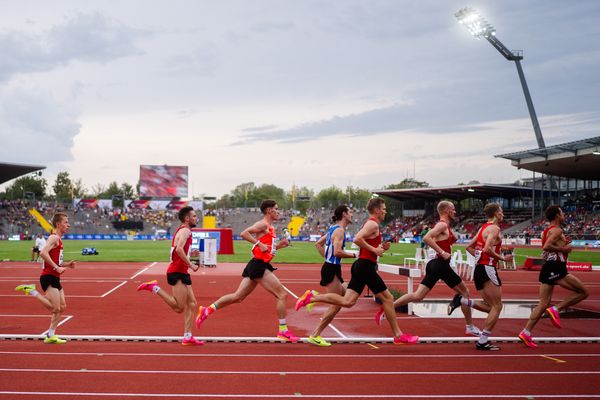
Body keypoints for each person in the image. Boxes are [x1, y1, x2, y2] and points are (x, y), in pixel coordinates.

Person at [296, 197, 418, 345]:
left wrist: (380, 248)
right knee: (388, 298)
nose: (386, 212)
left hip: (362, 266)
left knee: (347, 302)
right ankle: (398, 335)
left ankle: (312, 299)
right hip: (365, 267)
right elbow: (357, 239)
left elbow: (366, 243)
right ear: (377, 210)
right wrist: (374, 250)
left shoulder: (372, 224)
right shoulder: (372, 223)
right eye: (384, 209)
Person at [195, 199, 299, 342]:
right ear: (269, 211)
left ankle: (207, 310)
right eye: (276, 208)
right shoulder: (262, 224)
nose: (278, 211)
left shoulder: (270, 228)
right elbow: (244, 233)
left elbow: (267, 249)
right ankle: (283, 331)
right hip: (259, 266)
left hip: (258, 264)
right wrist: (258, 242)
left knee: (238, 297)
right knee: (281, 294)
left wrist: (281, 245)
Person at [379, 200, 481, 336]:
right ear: (446, 211)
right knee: (465, 292)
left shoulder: (445, 226)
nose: (455, 211)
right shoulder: (442, 224)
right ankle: (469, 326)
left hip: (434, 265)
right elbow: (427, 238)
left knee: (417, 296)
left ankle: (388, 308)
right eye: (453, 209)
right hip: (440, 265)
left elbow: (443, 239)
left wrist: (451, 238)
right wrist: (442, 252)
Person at [518, 205, 589, 348]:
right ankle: (556, 309)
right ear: (557, 215)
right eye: (562, 213)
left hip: (549, 267)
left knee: (543, 303)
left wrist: (562, 246)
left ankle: (526, 332)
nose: (564, 215)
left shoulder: (547, 230)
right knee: (583, 292)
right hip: (556, 267)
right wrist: (564, 249)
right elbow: (546, 247)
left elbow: (546, 250)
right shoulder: (557, 230)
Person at [137, 206, 204, 346]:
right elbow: (179, 249)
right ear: (187, 218)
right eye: (194, 216)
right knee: (179, 308)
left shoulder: (184, 230)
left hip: (182, 271)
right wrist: (192, 265)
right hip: (177, 272)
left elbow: (180, 250)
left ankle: (187, 336)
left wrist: (190, 259)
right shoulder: (185, 230)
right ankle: (154, 287)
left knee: (192, 304)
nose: (196, 218)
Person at [456, 203, 513, 351]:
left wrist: (479, 258)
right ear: (495, 214)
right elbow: (487, 248)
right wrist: (502, 258)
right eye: (501, 212)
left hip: (480, 269)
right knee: (497, 306)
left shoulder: (483, 228)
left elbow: (469, 247)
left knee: (491, 307)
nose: (503, 215)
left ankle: (463, 301)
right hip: (487, 268)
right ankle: (482, 341)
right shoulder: (494, 228)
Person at [15, 213, 76, 344]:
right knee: (55, 309)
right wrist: (56, 268)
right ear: (58, 224)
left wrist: (67, 265)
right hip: (48, 277)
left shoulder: (59, 240)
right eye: (66, 222)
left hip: (55, 277)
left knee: (62, 307)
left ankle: (51, 335)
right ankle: (32, 291)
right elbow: (43, 253)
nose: (68, 225)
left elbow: (55, 260)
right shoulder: (54, 238)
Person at [307, 205, 356, 346]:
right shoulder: (339, 230)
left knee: (347, 299)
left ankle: (314, 297)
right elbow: (337, 252)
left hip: (332, 267)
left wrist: (328, 261)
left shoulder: (333, 229)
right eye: (350, 212)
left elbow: (318, 244)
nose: (352, 214)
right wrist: (354, 255)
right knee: (336, 304)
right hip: (331, 268)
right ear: (344, 214)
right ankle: (315, 334)